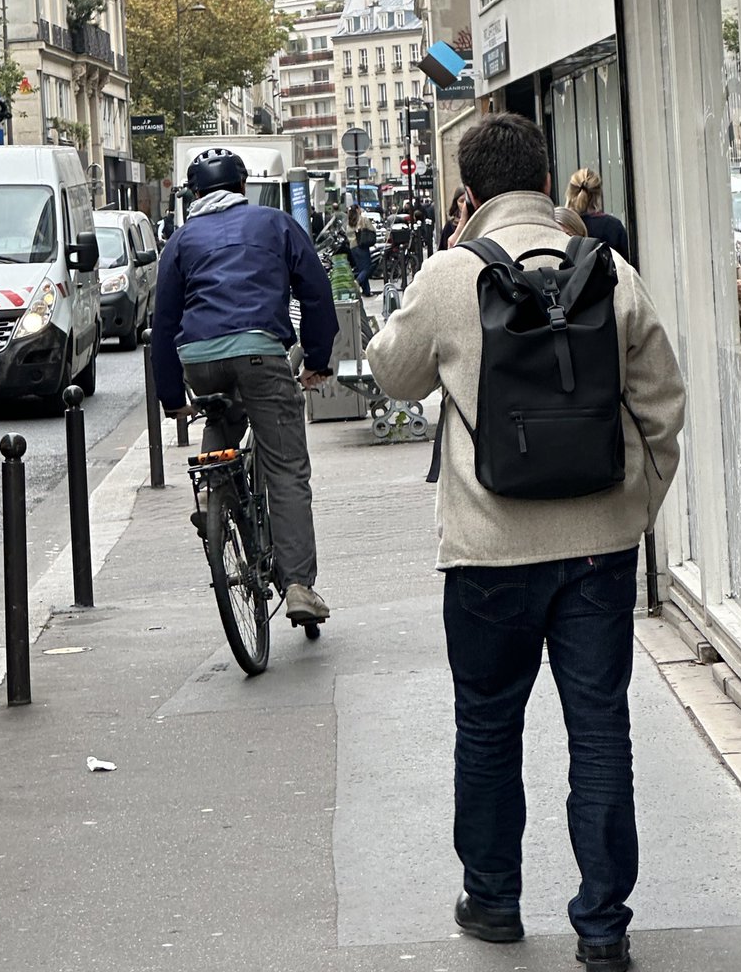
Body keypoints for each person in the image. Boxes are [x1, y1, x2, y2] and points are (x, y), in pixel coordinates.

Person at [367, 113, 686, 972]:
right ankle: (604, 926)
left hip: (485, 551)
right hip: (598, 548)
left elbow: (389, 374)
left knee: (487, 726)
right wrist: (634, 511)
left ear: (468, 193)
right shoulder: (610, 271)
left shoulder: (448, 275)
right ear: (548, 181)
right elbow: (663, 405)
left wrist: (448, 255)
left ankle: (495, 899)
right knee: (599, 731)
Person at [151, 148, 337, 626]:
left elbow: (164, 320)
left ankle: (211, 496)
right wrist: (316, 361)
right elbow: (315, 291)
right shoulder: (275, 224)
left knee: (220, 413)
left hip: (199, 358)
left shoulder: (180, 240)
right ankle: (298, 585)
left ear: (194, 194)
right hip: (260, 351)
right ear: (242, 187)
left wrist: (172, 398)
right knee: (286, 469)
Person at [565, 168, 630, 260]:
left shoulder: (562, 226)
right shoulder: (613, 227)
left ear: (570, 193)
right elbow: (627, 268)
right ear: (598, 194)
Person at [347, 203, 375, 298]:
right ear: (358, 210)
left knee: (361, 268)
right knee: (367, 268)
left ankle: (366, 291)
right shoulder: (363, 219)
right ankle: (357, 282)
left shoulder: (349, 222)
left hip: (352, 248)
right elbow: (372, 229)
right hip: (362, 246)